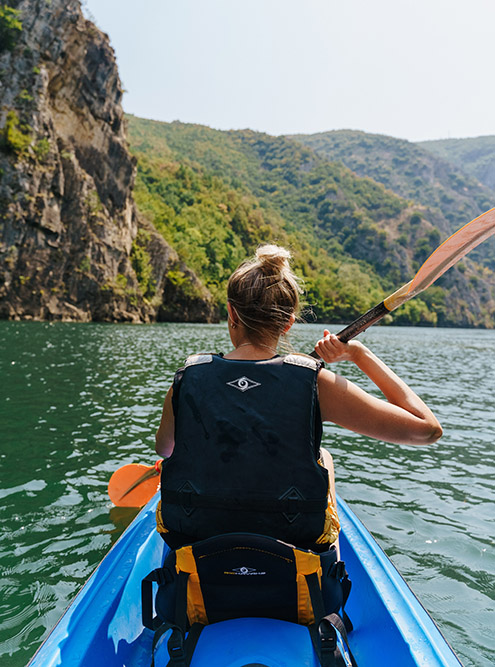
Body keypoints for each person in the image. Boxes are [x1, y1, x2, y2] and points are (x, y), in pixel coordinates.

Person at [155, 244, 442, 552]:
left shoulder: (187, 379)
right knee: (325, 458)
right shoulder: (316, 383)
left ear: (231, 313)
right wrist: (360, 354)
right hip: (291, 553)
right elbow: (426, 430)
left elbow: (165, 449)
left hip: (197, 547)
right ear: (289, 322)